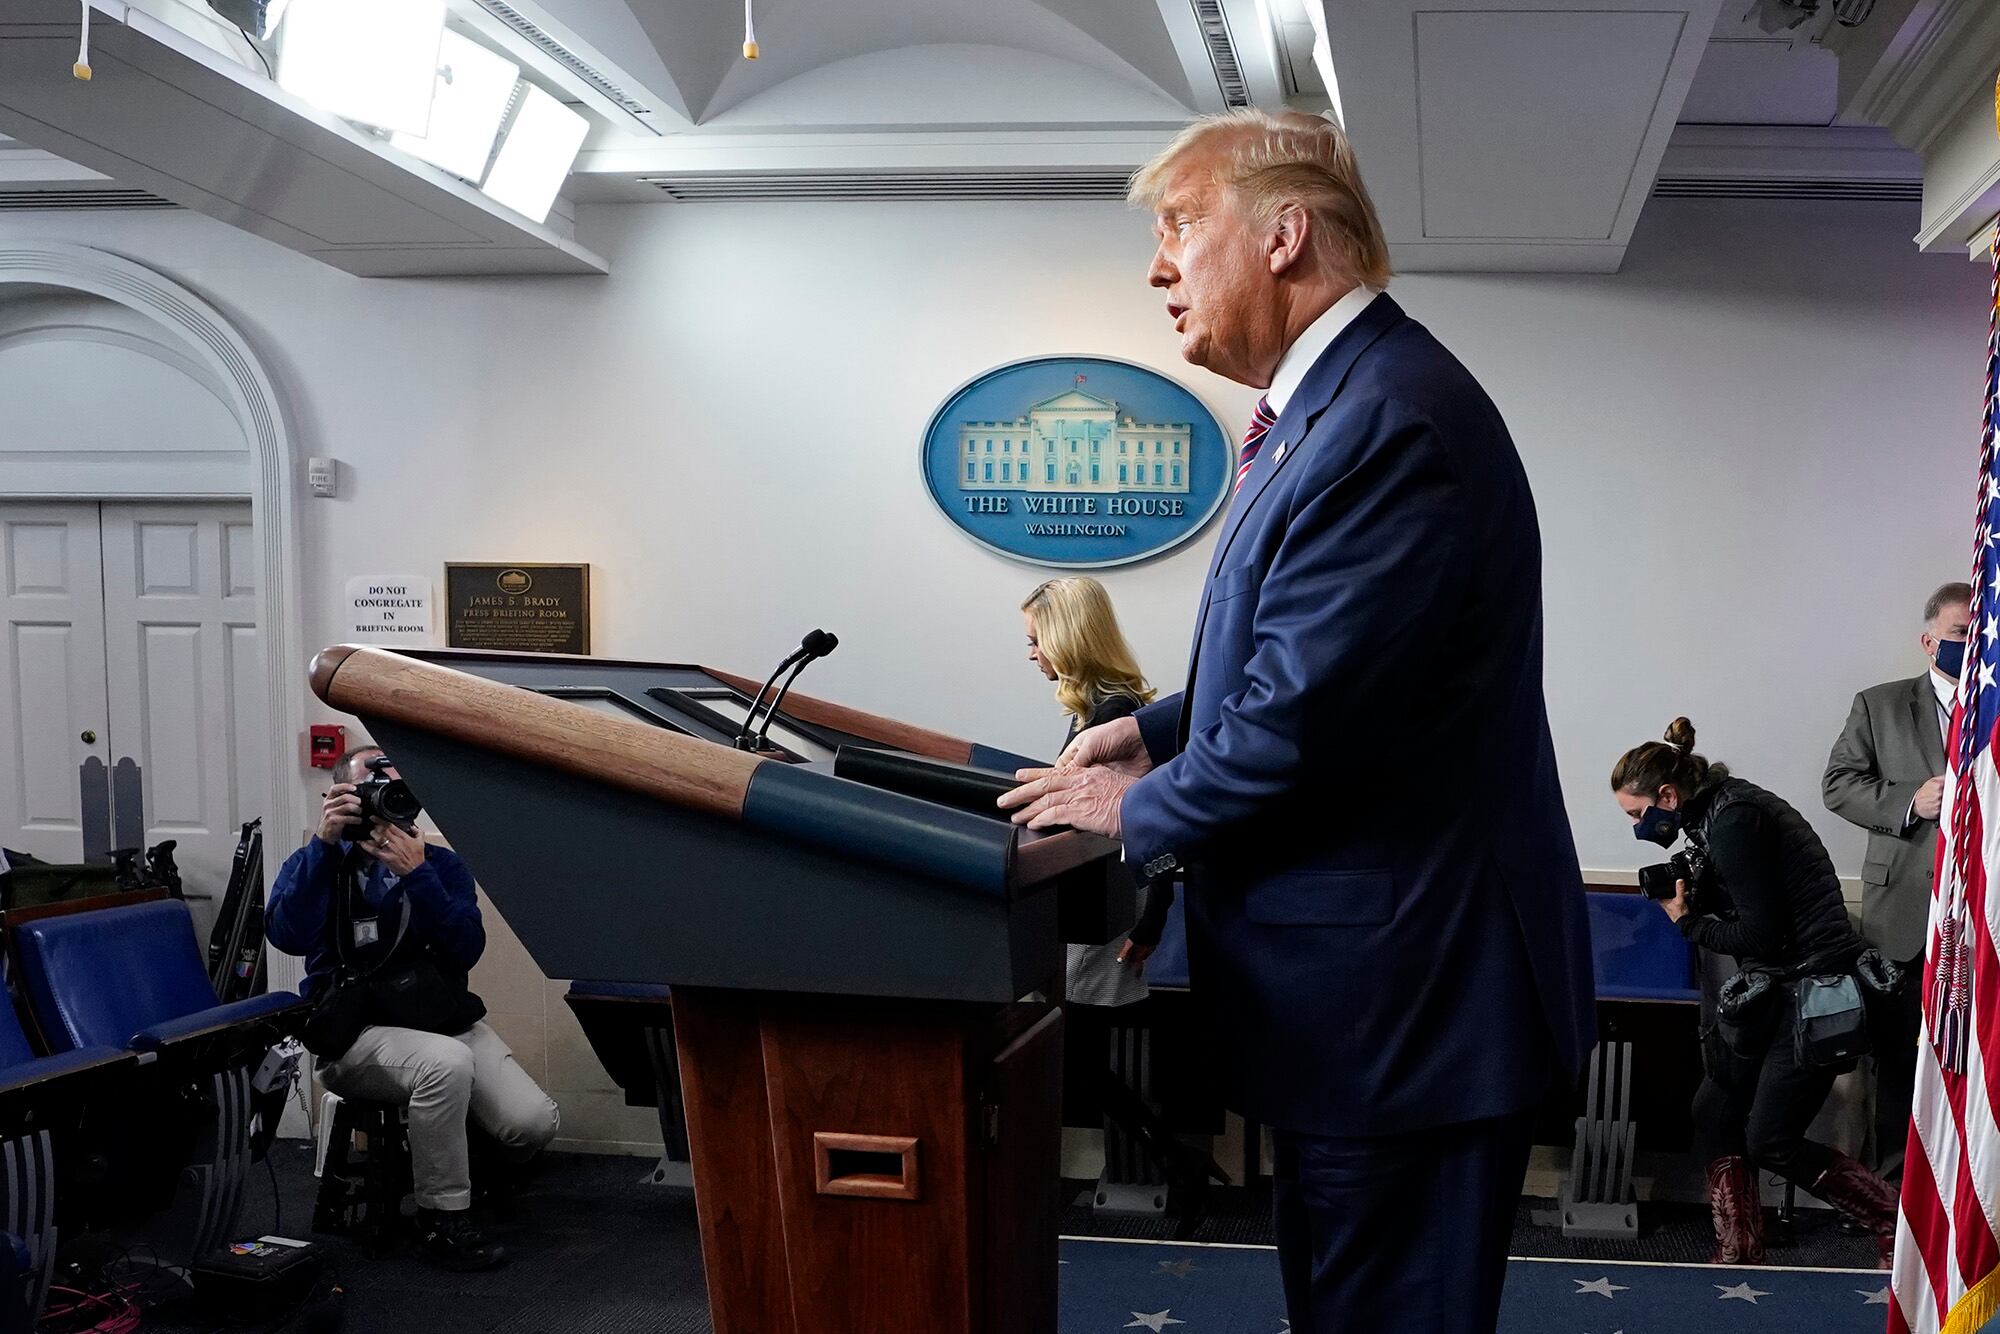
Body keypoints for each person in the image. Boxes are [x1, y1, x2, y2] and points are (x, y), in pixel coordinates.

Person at [1000, 109, 1594, 1334]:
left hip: (1401, 1015)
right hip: (1364, 1011)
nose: (1155, 266)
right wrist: (1154, 731)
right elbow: (1329, 661)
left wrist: (1132, 807)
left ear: (1282, 234)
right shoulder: (1330, 410)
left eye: (1178, 225)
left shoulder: (1384, 419)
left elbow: (1302, 721)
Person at [1614, 719, 1901, 1265]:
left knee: (1771, 1138)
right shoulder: (1719, 810)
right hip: (1775, 987)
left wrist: (1687, 921)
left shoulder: (1734, 822)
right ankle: (1741, 1244)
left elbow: (1759, 935)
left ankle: (1895, 1222)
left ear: (1667, 795)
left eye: (1637, 813)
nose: (1637, 826)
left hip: (1813, 992)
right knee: (1714, 1111)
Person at [267, 745, 560, 1272]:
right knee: (444, 1066)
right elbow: (287, 936)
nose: (383, 802)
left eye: (396, 789)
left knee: (532, 1124)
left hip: (441, 1020)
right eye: (368, 790)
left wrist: (417, 875)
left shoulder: (442, 866)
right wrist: (325, 845)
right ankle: (442, 1216)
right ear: (339, 796)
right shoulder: (318, 862)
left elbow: (466, 948)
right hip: (357, 1034)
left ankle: (462, 1155)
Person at [1823, 580, 1969, 1177]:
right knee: (1897, 1061)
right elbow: (1837, 785)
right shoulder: (1879, 704)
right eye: (1960, 634)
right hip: (1904, 913)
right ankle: (1891, 1197)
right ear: (1928, 640)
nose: (1971, 644)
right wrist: (1912, 800)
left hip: (1980, 913)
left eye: (1980, 635)